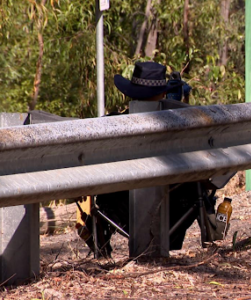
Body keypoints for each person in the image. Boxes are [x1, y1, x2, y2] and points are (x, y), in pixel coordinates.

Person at [79, 61, 226, 258]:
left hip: (123, 209)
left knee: (105, 190)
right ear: (164, 94)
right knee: (197, 184)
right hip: (176, 211)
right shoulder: (183, 128)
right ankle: (212, 236)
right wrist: (182, 106)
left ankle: (100, 240)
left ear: (131, 93)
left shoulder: (113, 125)